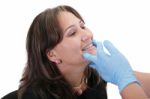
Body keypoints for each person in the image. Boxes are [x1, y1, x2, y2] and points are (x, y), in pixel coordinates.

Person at [2, 5, 150, 99]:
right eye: (72, 33)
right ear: (52, 54)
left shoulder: (94, 77)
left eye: (83, 26)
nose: (87, 35)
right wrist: (124, 78)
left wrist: (124, 73)